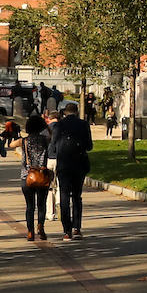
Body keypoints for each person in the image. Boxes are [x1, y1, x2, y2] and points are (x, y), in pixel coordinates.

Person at [49, 102, 93, 239]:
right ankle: (77, 228)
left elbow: (54, 144)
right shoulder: (83, 124)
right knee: (77, 197)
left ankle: (66, 230)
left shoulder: (59, 125)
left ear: (65, 112)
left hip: (64, 164)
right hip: (79, 164)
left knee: (64, 197)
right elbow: (89, 145)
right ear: (77, 111)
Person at [18, 115, 52, 240]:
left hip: (27, 175)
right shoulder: (44, 139)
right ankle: (41, 226)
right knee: (41, 204)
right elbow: (53, 136)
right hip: (42, 174)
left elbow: (11, 144)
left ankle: (30, 231)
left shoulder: (24, 141)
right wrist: (47, 126)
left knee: (30, 205)